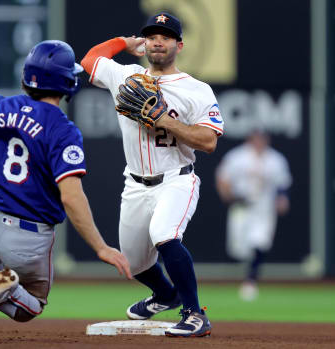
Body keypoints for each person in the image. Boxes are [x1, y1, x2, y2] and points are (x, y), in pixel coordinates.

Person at [0, 40, 132, 339]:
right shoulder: (63, 130)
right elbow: (71, 196)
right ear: (66, 82)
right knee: (32, 305)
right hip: (28, 237)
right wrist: (101, 247)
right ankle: (0, 292)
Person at [80, 12, 223, 337]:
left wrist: (164, 119)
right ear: (145, 43)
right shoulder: (125, 76)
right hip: (135, 183)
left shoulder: (197, 90)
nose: (158, 40)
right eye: (152, 35)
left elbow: (209, 142)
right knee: (132, 261)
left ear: (179, 45)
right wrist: (122, 43)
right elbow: (89, 61)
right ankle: (165, 294)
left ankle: (195, 314)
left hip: (177, 178)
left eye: (166, 36)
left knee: (164, 233)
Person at [215, 130, 291, 301]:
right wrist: (227, 194)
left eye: (263, 139)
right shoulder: (237, 156)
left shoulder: (275, 159)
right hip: (242, 206)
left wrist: (283, 198)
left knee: (260, 241)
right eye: (257, 139)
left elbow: (282, 183)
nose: (260, 142)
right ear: (250, 140)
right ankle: (245, 275)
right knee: (239, 248)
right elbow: (223, 178)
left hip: (264, 207)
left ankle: (250, 280)